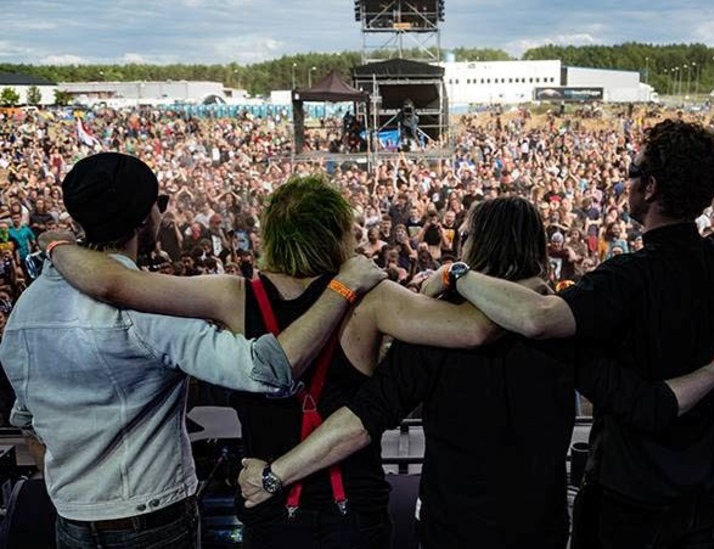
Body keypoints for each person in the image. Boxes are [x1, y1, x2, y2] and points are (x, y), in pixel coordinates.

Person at [236, 196, 714, 549]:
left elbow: (362, 420)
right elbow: (650, 405)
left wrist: (278, 474)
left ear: (475, 247)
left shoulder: (438, 336)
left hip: (451, 532)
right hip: (538, 532)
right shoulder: (562, 331)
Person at [429, 119, 714, 547]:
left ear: (651, 187)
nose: (626, 179)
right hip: (709, 496)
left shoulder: (621, 280)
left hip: (631, 499)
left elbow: (539, 318)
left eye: (633, 170)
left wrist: (456, 272)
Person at [47, 174, 499, 549]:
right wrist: (450, 275)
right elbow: (475, 328)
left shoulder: (232, 295)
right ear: (338, 232)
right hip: (353, 506)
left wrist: (58, 245)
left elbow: (112, 285)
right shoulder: (373, 298)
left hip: (265, 501)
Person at [2, 153, 386, 549]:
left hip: (71, 519)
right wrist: (344, 285)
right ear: (145, 219)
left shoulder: (26, 310)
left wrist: (78, 491)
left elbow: (27, 421)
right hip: (151, 519)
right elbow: (272, 371)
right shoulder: (151, 313)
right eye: (160, 204)